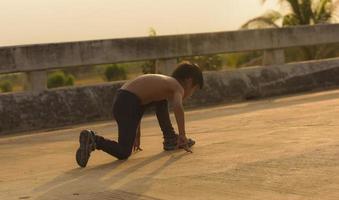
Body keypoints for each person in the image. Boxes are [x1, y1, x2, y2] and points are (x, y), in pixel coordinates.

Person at [76, 61, 204, 167]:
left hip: (124, 100)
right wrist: (182, 134)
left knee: (161, 102)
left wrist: (136, 132)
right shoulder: (177, 87)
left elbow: (139, 99)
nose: (191, 94)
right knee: (123, 152)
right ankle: (95, 140)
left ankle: (170, 138)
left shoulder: (165, 84)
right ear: (189, 80)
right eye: (194, 89)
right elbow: (178, 106)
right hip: (127, 103)